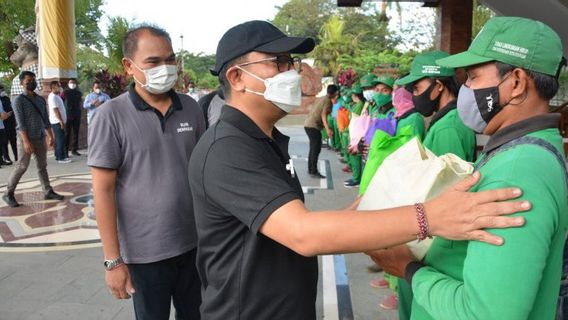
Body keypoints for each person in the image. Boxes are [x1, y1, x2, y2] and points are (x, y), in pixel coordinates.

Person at [188, 20, 530, 320]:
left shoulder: (263, 140)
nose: (290, 72)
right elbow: (303, 234)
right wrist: (429, 217)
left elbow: (282, 227)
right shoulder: (228, 148)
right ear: (237, 77)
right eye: (277, 63)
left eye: (290, 62)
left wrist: (369, 204)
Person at [371, 16, 567, 320]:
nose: (465, 88)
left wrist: (408, 270)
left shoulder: (518, 169)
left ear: (515, 83)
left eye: (473, 77)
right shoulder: (518, 153)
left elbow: (485, 313)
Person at [88, 25, 205, 320]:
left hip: (195, 245)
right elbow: (103, 190)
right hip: (145, 255)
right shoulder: (110, 117)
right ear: (129, 66)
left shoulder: (191, 109)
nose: (165, 68)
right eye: (153, 62)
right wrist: (113, 262)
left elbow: (205, 172)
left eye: (169, 60)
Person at [396, 50, 477, 162]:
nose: (414, 96)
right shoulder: (451, 118)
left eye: (417, 89)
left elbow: (449, 178)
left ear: (439, 85)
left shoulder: (447, 128)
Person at [2, 71, 64, 208]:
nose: (32, 82)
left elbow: (45, 119)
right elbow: (20, 123)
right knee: (22, 166)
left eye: (33, 80)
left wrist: (50, 135)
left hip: (40, 137)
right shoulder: (18, 101)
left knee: (42, 166)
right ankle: (8, 193)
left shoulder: (40, 99)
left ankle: (47, 191)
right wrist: (26, 141)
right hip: (25, 138)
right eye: (28, 80)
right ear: (22, 83)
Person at [304, 84, 337, 178]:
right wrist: (328, 129)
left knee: (313, 148)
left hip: (308, 124)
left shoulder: (321, 98)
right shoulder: (327, 101)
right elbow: (323, 115)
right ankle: (313, 171)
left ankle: (311, 170)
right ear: (335, 93)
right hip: (313, 126)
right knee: (315, 149)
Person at [48, 81, 71, 164]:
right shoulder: (53, 97)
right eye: (58, 86)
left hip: (59, 121)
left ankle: (59, 155)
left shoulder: (56, 96)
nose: (60, 87)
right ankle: (60, 157)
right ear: (53, 87)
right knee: (60, 139)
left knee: (60, 139)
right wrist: (61, 121)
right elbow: (56, 110)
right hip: (57, 121)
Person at [63, 78, 83, 156]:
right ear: (68, 84)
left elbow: (80, 103)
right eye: (71, 82)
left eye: (74, 83)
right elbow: (61, 102)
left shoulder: (79, 93)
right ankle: (65, 151)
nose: (72, 84)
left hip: (77, 114)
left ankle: (74, 150)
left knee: (76, 133)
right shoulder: (65, 93)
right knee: (67, 133)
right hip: (68, 115)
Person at [0, 85, 17, 163]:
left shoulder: (6, 98)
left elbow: (11, 109)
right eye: (1, 90)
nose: (3, 91)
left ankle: (16, 157)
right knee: (4, 143)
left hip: (9, 123)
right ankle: (6, 158)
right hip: (4, 123)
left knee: (12, 141)